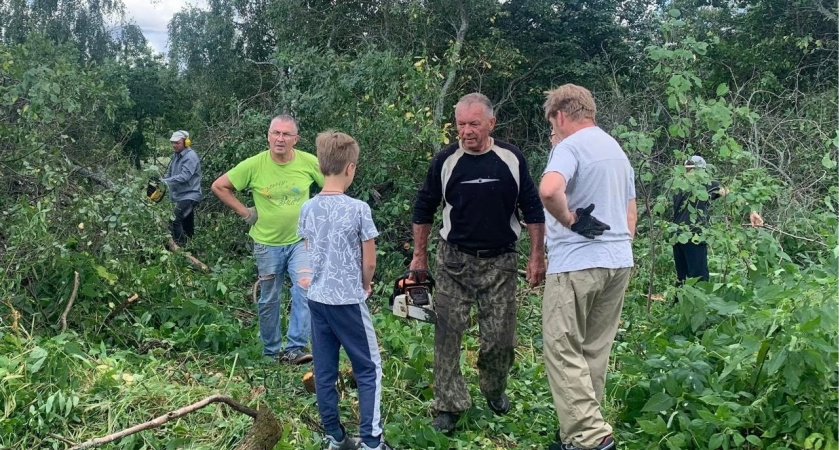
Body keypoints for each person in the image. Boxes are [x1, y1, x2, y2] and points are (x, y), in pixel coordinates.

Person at [410, 92, 546, 433]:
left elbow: (532, 207)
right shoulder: (446, 161)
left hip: (501, 262)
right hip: (454, 261)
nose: (467, 131)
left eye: (474, 124)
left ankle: (494, 388)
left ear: (491, 123)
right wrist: (419, 256)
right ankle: (448, 405)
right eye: (461, 124)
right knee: (447, 335)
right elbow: (423, 208)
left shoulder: (511, 158)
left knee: (500, 339)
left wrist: (536, 255)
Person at [538, 84, 636, 450]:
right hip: (618, 260)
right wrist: (618, 247)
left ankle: (591, 439)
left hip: (577, 263)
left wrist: (569, 220)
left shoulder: (570, 146)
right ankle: (576, 435)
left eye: (552, 123)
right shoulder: (615, 149)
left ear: (560, 115)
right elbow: (630, 214)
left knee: (562, 348)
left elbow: (549, 190)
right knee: (593, 350)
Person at [298, 131, 393, 450]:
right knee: (369, 368)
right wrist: (365, 285)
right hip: (348, 301)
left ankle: (334, 438)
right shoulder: (358, 210)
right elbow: (369, 262)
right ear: (350, 168)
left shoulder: (307, 209)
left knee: (324, 371)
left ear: (321, 165)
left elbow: (308, 251)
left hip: (317, 300)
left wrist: (312, 277)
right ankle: (371, 441)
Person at [211, 115, 323, 364]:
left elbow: (333, 187)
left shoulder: (309, 162)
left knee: (304, 289)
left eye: (286, 134)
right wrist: (245, 212)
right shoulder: (254, 165)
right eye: (276, 133)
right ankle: (271, 351)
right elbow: (219, 186)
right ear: (268, 136)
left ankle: (295, 349)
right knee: (270, 296)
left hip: (300, 241)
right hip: (267, 244)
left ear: (296, 139)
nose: (280, 139)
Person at [671, 155, 764, 284]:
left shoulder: (677, 186)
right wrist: (752, 211)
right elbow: (732, 196)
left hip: (676, 235)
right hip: (694, 235)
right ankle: (699, 303)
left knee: (682, 277)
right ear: (702, 170)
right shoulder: (707, 184)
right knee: (699, 278)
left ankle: (678, 303)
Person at [161, 130, 202, 247]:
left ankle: (181, 247)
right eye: (173, 143)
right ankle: (192, 246)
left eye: (177, 143)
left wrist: (165, 181)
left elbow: (185, 176)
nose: (174, 145)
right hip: (180, 196)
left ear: (186, 142)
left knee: (175, 220)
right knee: (186, 224)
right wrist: (161, 182)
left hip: (190, 195)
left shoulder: (190, 157)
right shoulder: (175, 156)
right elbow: (169, 173)